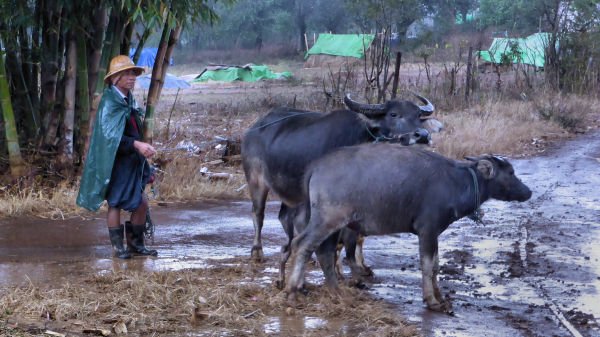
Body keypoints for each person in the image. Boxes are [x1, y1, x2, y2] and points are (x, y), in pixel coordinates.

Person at [76, 55, 158, 259]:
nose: (131, 77)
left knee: (141, 203)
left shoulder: (127, 100)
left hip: (131, 160)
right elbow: (109, 138)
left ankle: (136, 246)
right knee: (115, 203)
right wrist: (137, 144)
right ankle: (117, 248)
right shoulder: (109, 101)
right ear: (116, 78)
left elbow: (128, 130)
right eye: (126, 74)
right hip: (115, 161)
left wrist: (141, 146)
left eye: (133, 73)